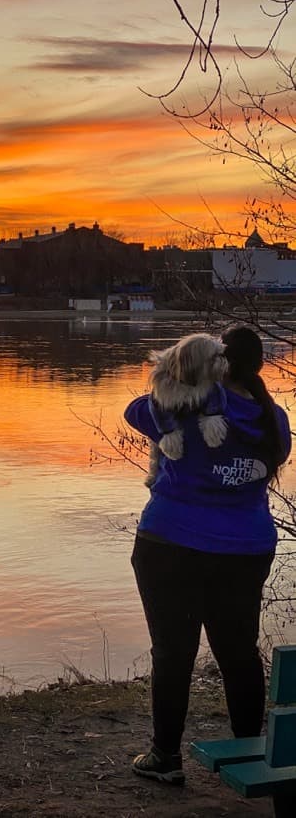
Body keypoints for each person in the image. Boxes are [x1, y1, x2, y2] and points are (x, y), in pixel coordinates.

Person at [124, 325, 291, 785]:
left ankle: (166, 757)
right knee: (239, 653)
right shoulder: (271, 418)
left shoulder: (184, 408)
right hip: (245, 548)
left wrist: (179, 383)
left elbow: (136, 409)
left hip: (170, 543)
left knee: (173, 653)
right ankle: (247, 749)